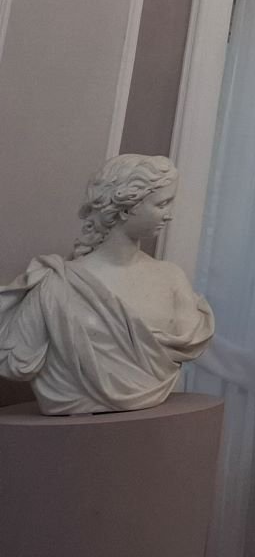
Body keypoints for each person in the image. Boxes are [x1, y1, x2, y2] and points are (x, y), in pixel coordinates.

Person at [0, 154, 214, 414]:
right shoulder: (56, 285)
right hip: (72, 422)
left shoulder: (172, 278)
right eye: (162, 204)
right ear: (125, 208)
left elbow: (189, 337)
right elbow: (18, 364)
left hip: (150, 424)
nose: (169, 216)